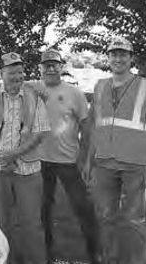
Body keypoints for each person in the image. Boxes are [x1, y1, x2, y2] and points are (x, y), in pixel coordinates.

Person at [84, 37, 146, 264]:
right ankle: (108, 259)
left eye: (123, 54)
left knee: (135, 220)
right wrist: (89, 162)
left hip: (135, 164)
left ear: (131, 58)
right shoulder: (100, 86)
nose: (118, 58)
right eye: (113, 54)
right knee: (105, 217)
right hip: (104, 164)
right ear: (108, 58)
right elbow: (94, 126)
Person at [0, 52, 50, 264]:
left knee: (31, 222)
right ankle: (4, 260)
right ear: (1, 73)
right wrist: (2, 158)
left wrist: (15, 154)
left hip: (28, 170)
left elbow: (40, 132)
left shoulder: (34, 96)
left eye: (20, 72)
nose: (17, 76)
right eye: (12, 72)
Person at [33, 49, 100, 264]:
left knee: (83, 207)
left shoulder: (74, 93)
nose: (51, 68)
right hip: (40, 161)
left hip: (68, 162)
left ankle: (94, 253)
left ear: (61, 68)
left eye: (55, 65)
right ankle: (47, 252)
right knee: (43, 209)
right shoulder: (31, 89)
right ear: (40, 68)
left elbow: (86, 127)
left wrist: (85, 158)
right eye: (46, 65)